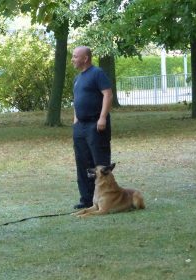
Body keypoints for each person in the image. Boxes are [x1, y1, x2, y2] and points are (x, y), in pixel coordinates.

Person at [71, 46, 113, 209]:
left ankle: (105, 198)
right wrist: (76, 120)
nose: (73, 59)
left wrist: (102, 118)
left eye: (75, 56)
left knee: (100, 164)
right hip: (80, 127)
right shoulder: (78, 78)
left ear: (85, 58)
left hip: (96, 125)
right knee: (82, 163)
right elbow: (77, 100)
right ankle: (86, 199)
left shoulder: (97, 73)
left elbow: (108, 94)